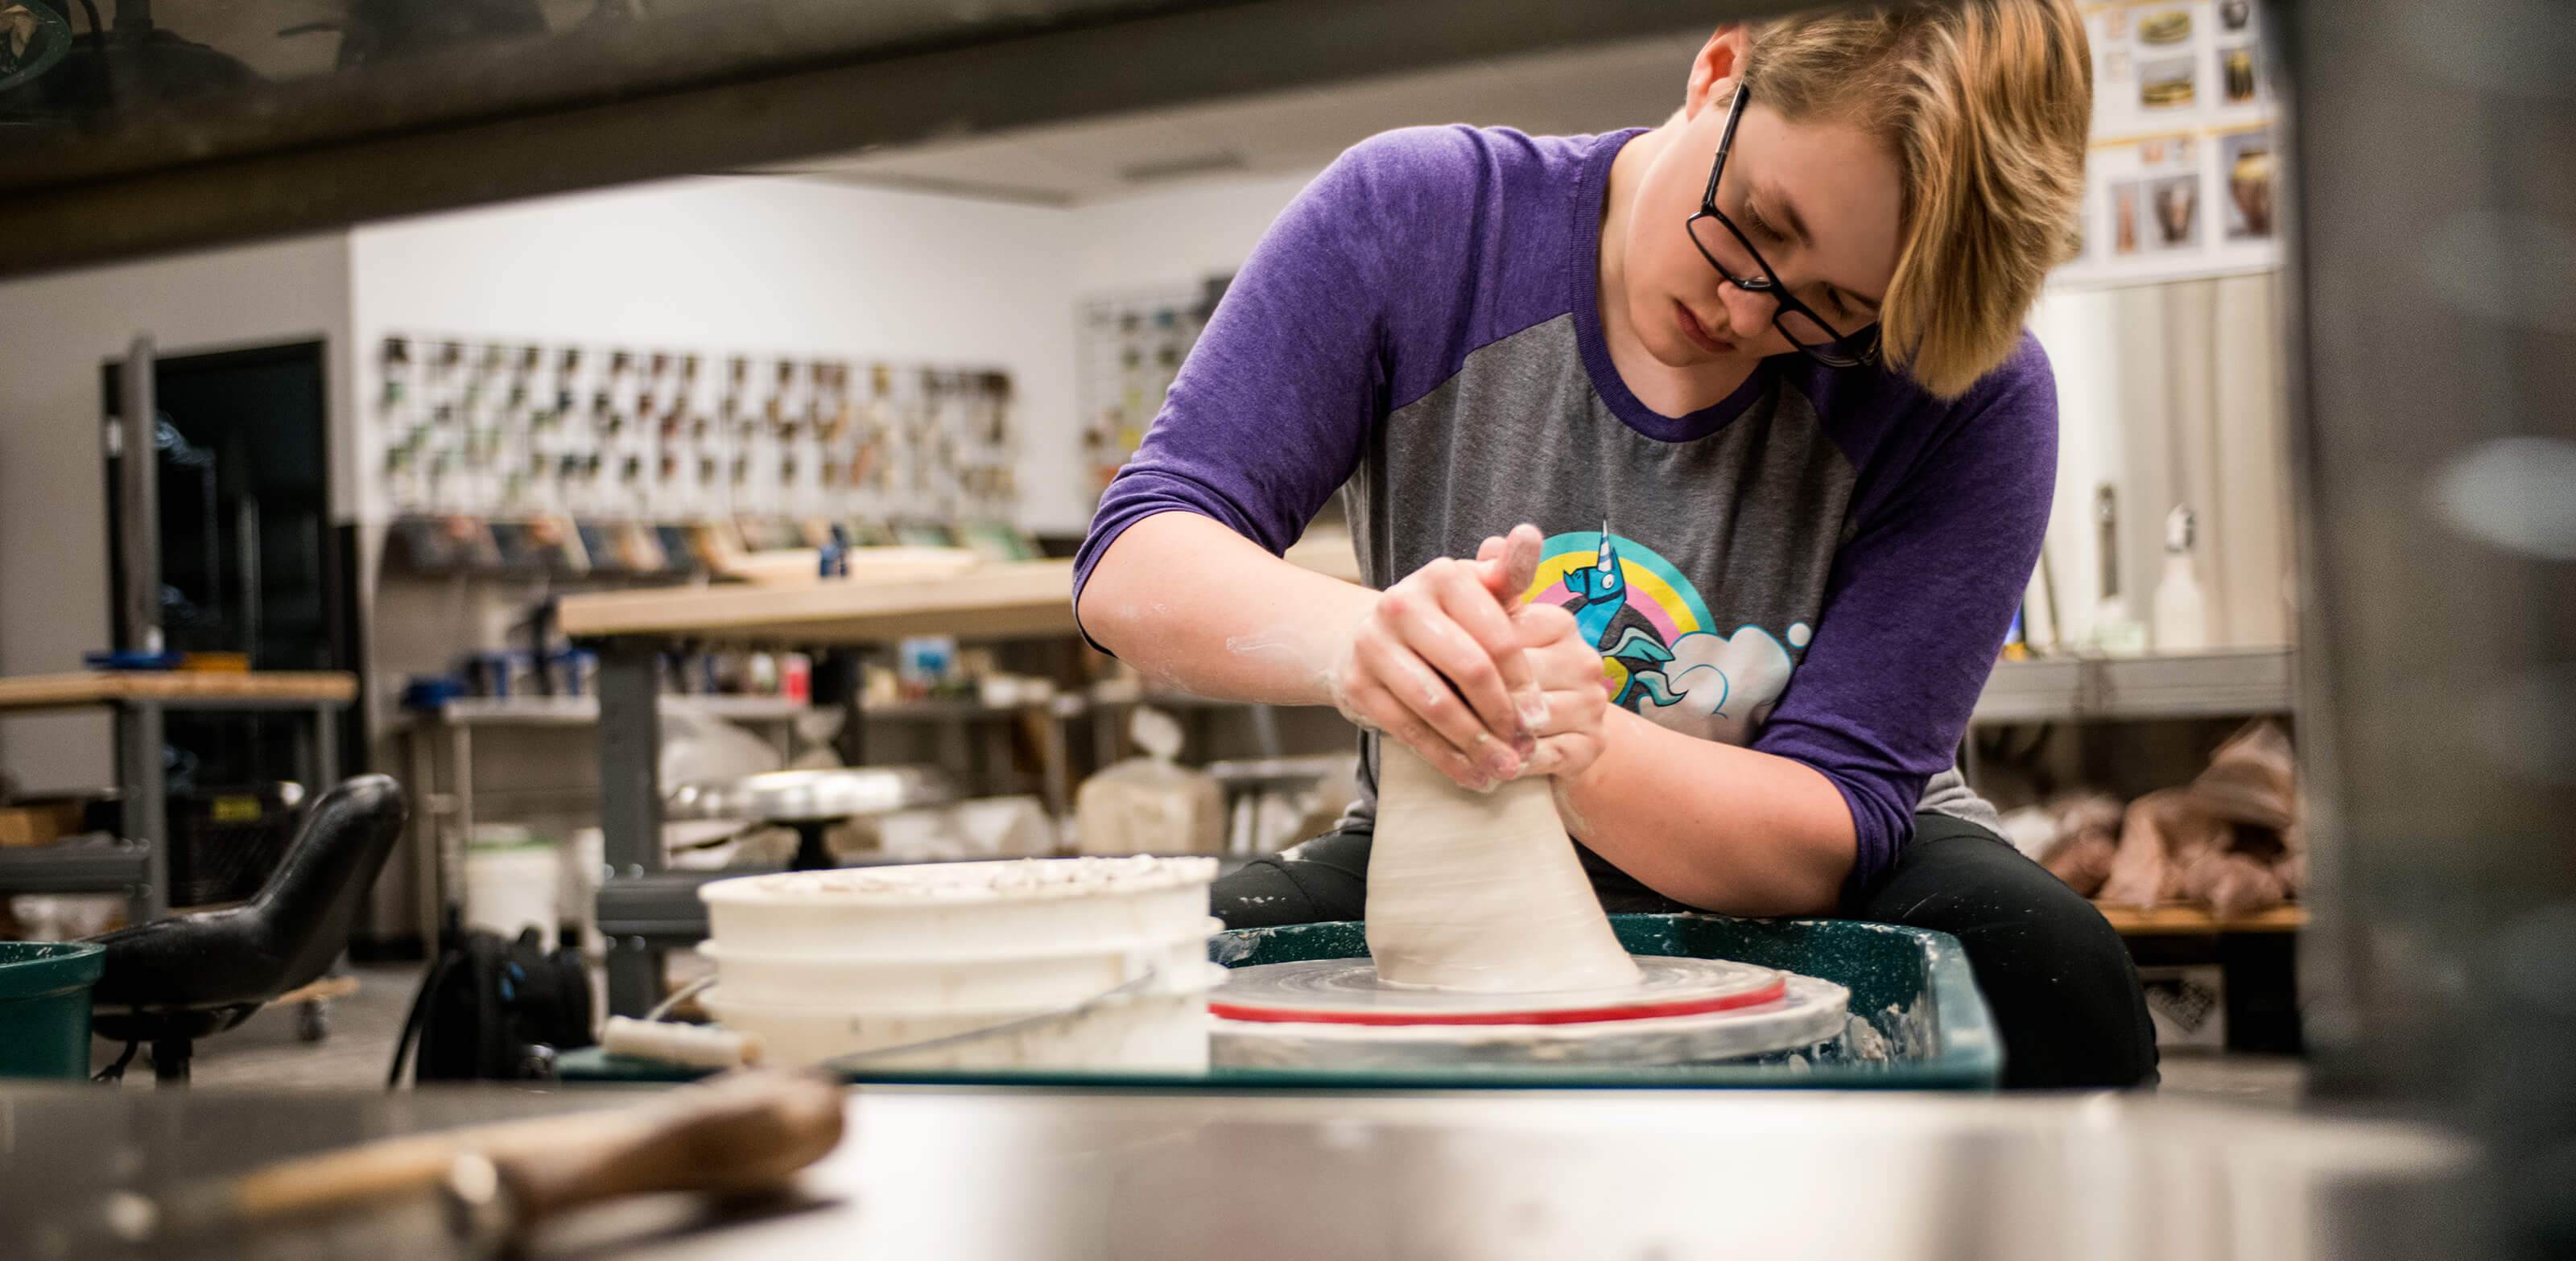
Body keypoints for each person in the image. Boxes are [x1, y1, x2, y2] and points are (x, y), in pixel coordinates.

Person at [1074, 0, 2156, 1088]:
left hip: (1827, 860)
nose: (1744, 307)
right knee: (1142, 992)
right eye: (1757, 222)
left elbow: (1827, 824)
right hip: (1455, 826)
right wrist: (1368, 642)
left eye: (1829, 304)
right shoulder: (1421, 221)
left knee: (2049, 967)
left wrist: (1558, 730)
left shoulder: (1970, 392)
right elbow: (1135, 564)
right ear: (1718, 74)